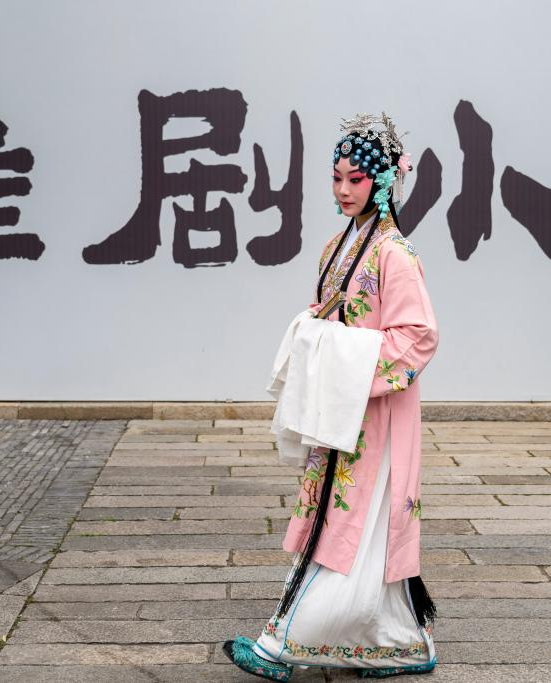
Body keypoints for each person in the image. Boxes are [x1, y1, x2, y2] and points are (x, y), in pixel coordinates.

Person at [223, 112, 440, 680]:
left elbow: (419, 337)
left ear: (383, 181)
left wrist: (346, 354)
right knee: (342, 519)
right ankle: (400, 642)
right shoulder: (336, 247)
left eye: (356, 179)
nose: (343, 190)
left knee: (355, 522)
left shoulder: (396, 255)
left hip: (377, 415)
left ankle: (282, 643)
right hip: (342, 409)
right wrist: (318, 333)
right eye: (337, 178)